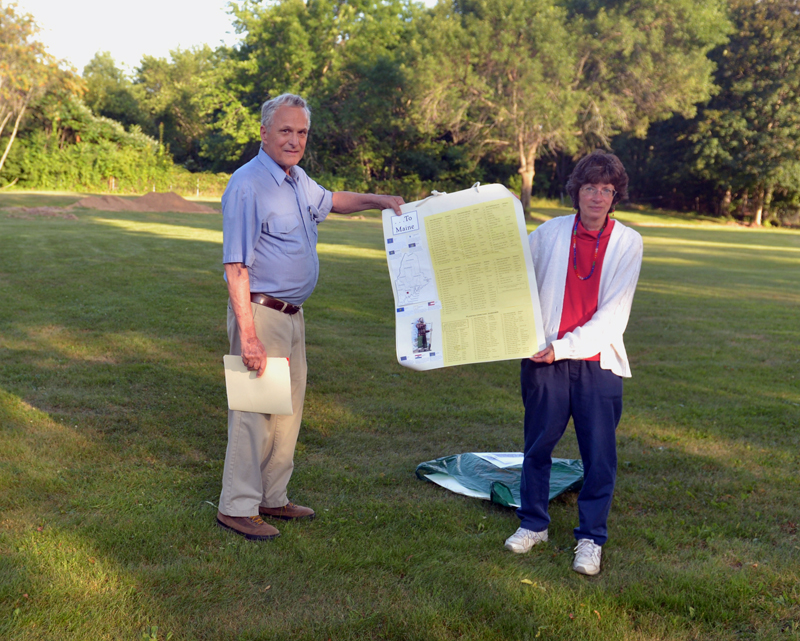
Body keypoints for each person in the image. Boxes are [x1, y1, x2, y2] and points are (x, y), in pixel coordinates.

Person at [217, 93, 405, 541]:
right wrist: (248, 338)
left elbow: (332, 200)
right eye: (285, 131)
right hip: (260, 315)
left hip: (292, 316)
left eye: (301, 132)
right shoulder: (248, 185)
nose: (294, 140)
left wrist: (379, 200)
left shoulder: (296, 179)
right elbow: (235, 267)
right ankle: (237, 506)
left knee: (287, 414)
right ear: (264, 132)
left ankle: (271, 497)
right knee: (255, 413)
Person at [503, 150, 643, 575]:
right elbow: (512, 279)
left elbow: (612, 319)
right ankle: (533, 524)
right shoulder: (548, 234)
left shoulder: (627, 242)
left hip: (596, 363)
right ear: (576, 191)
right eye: (589, 187)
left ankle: (590, 538)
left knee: (599, 454)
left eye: (606, 189)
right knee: (538, 445)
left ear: (615, 195)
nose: (597, 197)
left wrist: (563, 346)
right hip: (544, 358)